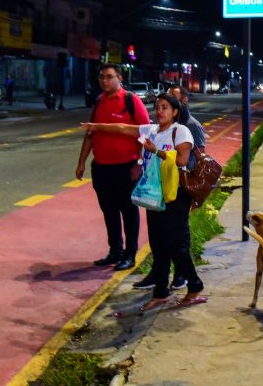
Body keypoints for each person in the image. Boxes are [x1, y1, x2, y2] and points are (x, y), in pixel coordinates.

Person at [81, 93, 206, 312]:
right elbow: (122, 128)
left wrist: (155, 151)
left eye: (165, 107)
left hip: (175, 195)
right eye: (157, 107)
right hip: (154, 195)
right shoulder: (151, 130)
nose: (159, 111)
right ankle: (160, 292)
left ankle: (194, 286)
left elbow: (182, 161)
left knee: (176, 245)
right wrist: (96, 125)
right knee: (157, 245)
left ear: (175, 112)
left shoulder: (180, 130)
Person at [75, 63, 151, 271]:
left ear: (119, 78)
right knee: (109, 211)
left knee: (128, 210)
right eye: (102, 77)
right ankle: (115, 250)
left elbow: (145, 133)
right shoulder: (99, 101)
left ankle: (130, 254)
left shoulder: (130, 100)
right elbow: (91, 133)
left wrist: (139, 162)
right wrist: (81, 161)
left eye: (109, 77)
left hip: (126, 167)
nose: (105, 81)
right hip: (102, 168)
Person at [159, 84, 206, 292]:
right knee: (167, 237)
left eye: (170, 101)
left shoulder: (188, 126)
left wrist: (190, 180)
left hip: (182, 184)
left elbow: (198, 156)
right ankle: (166, 278)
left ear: (181, 103)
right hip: (167, 185)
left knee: (179, 237)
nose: (161, 109)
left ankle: (186, 279)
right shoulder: (164, 127)